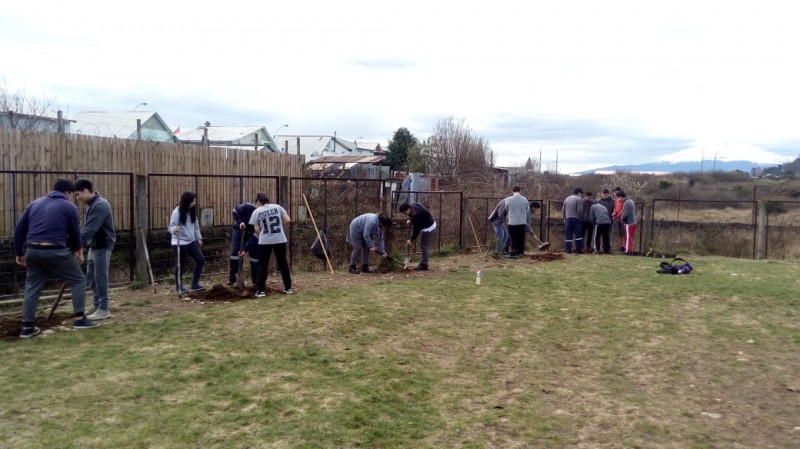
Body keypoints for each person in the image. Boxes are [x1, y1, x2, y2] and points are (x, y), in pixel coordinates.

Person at [13, 178, 100, 338]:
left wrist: (19, 252)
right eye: (72, 194)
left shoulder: (34, 204)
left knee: (32, 286)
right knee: (78, 280)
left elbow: (19, 229)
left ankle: (27, 327)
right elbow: (74, 232)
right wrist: (78, 250)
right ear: (67, 192)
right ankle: (80, 319)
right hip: (54, 251)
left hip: (32, 251)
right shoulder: (69, 206)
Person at [75, 178, 116, 320]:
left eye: (78, 194)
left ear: (86, 190)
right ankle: (97, 305)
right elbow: (87, 228)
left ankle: (103, 309)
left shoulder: (101, 205)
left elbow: (90, 229)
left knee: (100, 277)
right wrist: (84, 245)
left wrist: (75, 245)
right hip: (93, 245)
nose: (77, 198)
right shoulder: (90, 205)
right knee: (92, 278)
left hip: (103, 245)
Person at [249, 194, 292, 297]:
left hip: (265, 241)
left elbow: (256, 229)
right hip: (280, 239)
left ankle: (261, 290)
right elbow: (287, 220)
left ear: (258, 202)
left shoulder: (257, 211)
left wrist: (264, 233)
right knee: (283, 264)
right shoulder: (277, 207)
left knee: (263, 265)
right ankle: (288, 288)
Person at [169, 192, 205, 293]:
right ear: (187, 201)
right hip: (179, 242)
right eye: (193, 201)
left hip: (191, 241)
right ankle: (179, 287)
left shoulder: (192, 211)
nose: (194, 203)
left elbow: (196, 226)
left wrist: (198, 238)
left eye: (195, 201)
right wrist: (174, 229)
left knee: (200, 260)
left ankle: (195, 284)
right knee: (180, 264)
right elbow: (170, 227)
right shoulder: (177, 212)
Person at [228, 193, 267, 286]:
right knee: (235, 253)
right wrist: (240, 222)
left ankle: (256, 281)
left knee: (255, 256)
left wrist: (245, 249)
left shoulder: (263, 217)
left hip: (252, 234)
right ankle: (233, 278)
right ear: (257, 203)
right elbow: (235, 211)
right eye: (261, 205)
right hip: (239, 231)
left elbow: (256, 236)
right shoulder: (247, 207)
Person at [398, 202, 436, 271]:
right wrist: (411, 219)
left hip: (429, 227)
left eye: (404, 212)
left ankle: (424, 265)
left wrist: (411, 240)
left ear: (408, 209)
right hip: (426, 221)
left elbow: (416, 230)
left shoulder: (416, 215)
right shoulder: (412, 205)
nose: (404, 214)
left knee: (424, 245)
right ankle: (423, 262)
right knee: (423, 245)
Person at [504, 186, 530, 258]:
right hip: (522, 222)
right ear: (520, 191)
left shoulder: (508, 199)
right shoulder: (524, 199)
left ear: (512, 191)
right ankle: (521, 252)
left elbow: (506, 208)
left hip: (512, 222)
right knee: (521, 238)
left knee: (513, 238)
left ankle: (514, 251)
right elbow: (526, 208)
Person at [562, 188, 584, 254]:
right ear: (579, 193)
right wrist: (581, 217)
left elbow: (563, 210)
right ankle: (579, 249)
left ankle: (568, 249)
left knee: (568, 235)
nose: (581, 196)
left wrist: (564, 218)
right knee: (578, 235)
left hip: (568, 219)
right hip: (576, 219)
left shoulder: (566, 198)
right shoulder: (578, 199)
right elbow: (580, 210)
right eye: (581, 194)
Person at [619, 190, 637, 255]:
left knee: (628, 237)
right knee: (630, 237)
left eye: (619, 198)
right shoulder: (631, 201)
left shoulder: (626, 203)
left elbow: (625, 213)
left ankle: (628, 250)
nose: (619, 199)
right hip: (633, 222)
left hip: (629, 222)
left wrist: (621, 218)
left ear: (621, 197)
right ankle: (629, 249)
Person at [611, 186, 624, 252]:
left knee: (622, 233)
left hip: (622, 218)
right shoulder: (615, 200)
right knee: (619, 233)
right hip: (617, 218)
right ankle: (620, 246)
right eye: (614, 192)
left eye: (616, 192)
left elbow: (623, 209)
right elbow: (615, 208)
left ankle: (623, 246)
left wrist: (618, 215)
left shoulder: (622, 200)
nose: (615, 194)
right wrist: (614, 214)